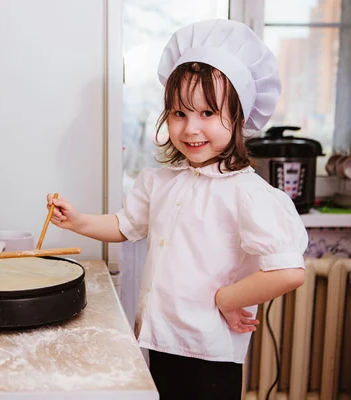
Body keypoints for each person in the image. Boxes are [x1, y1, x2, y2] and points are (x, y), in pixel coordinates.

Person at [47, 18, 308, 399]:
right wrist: (78, 221)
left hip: (209, 351)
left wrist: (227, 299)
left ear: (237, 118)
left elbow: (288, 271)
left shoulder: (248, 193)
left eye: (207, 113)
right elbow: (124, 226)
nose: (190, 128)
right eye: (179, 113)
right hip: (161, 339)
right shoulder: (160, 181)